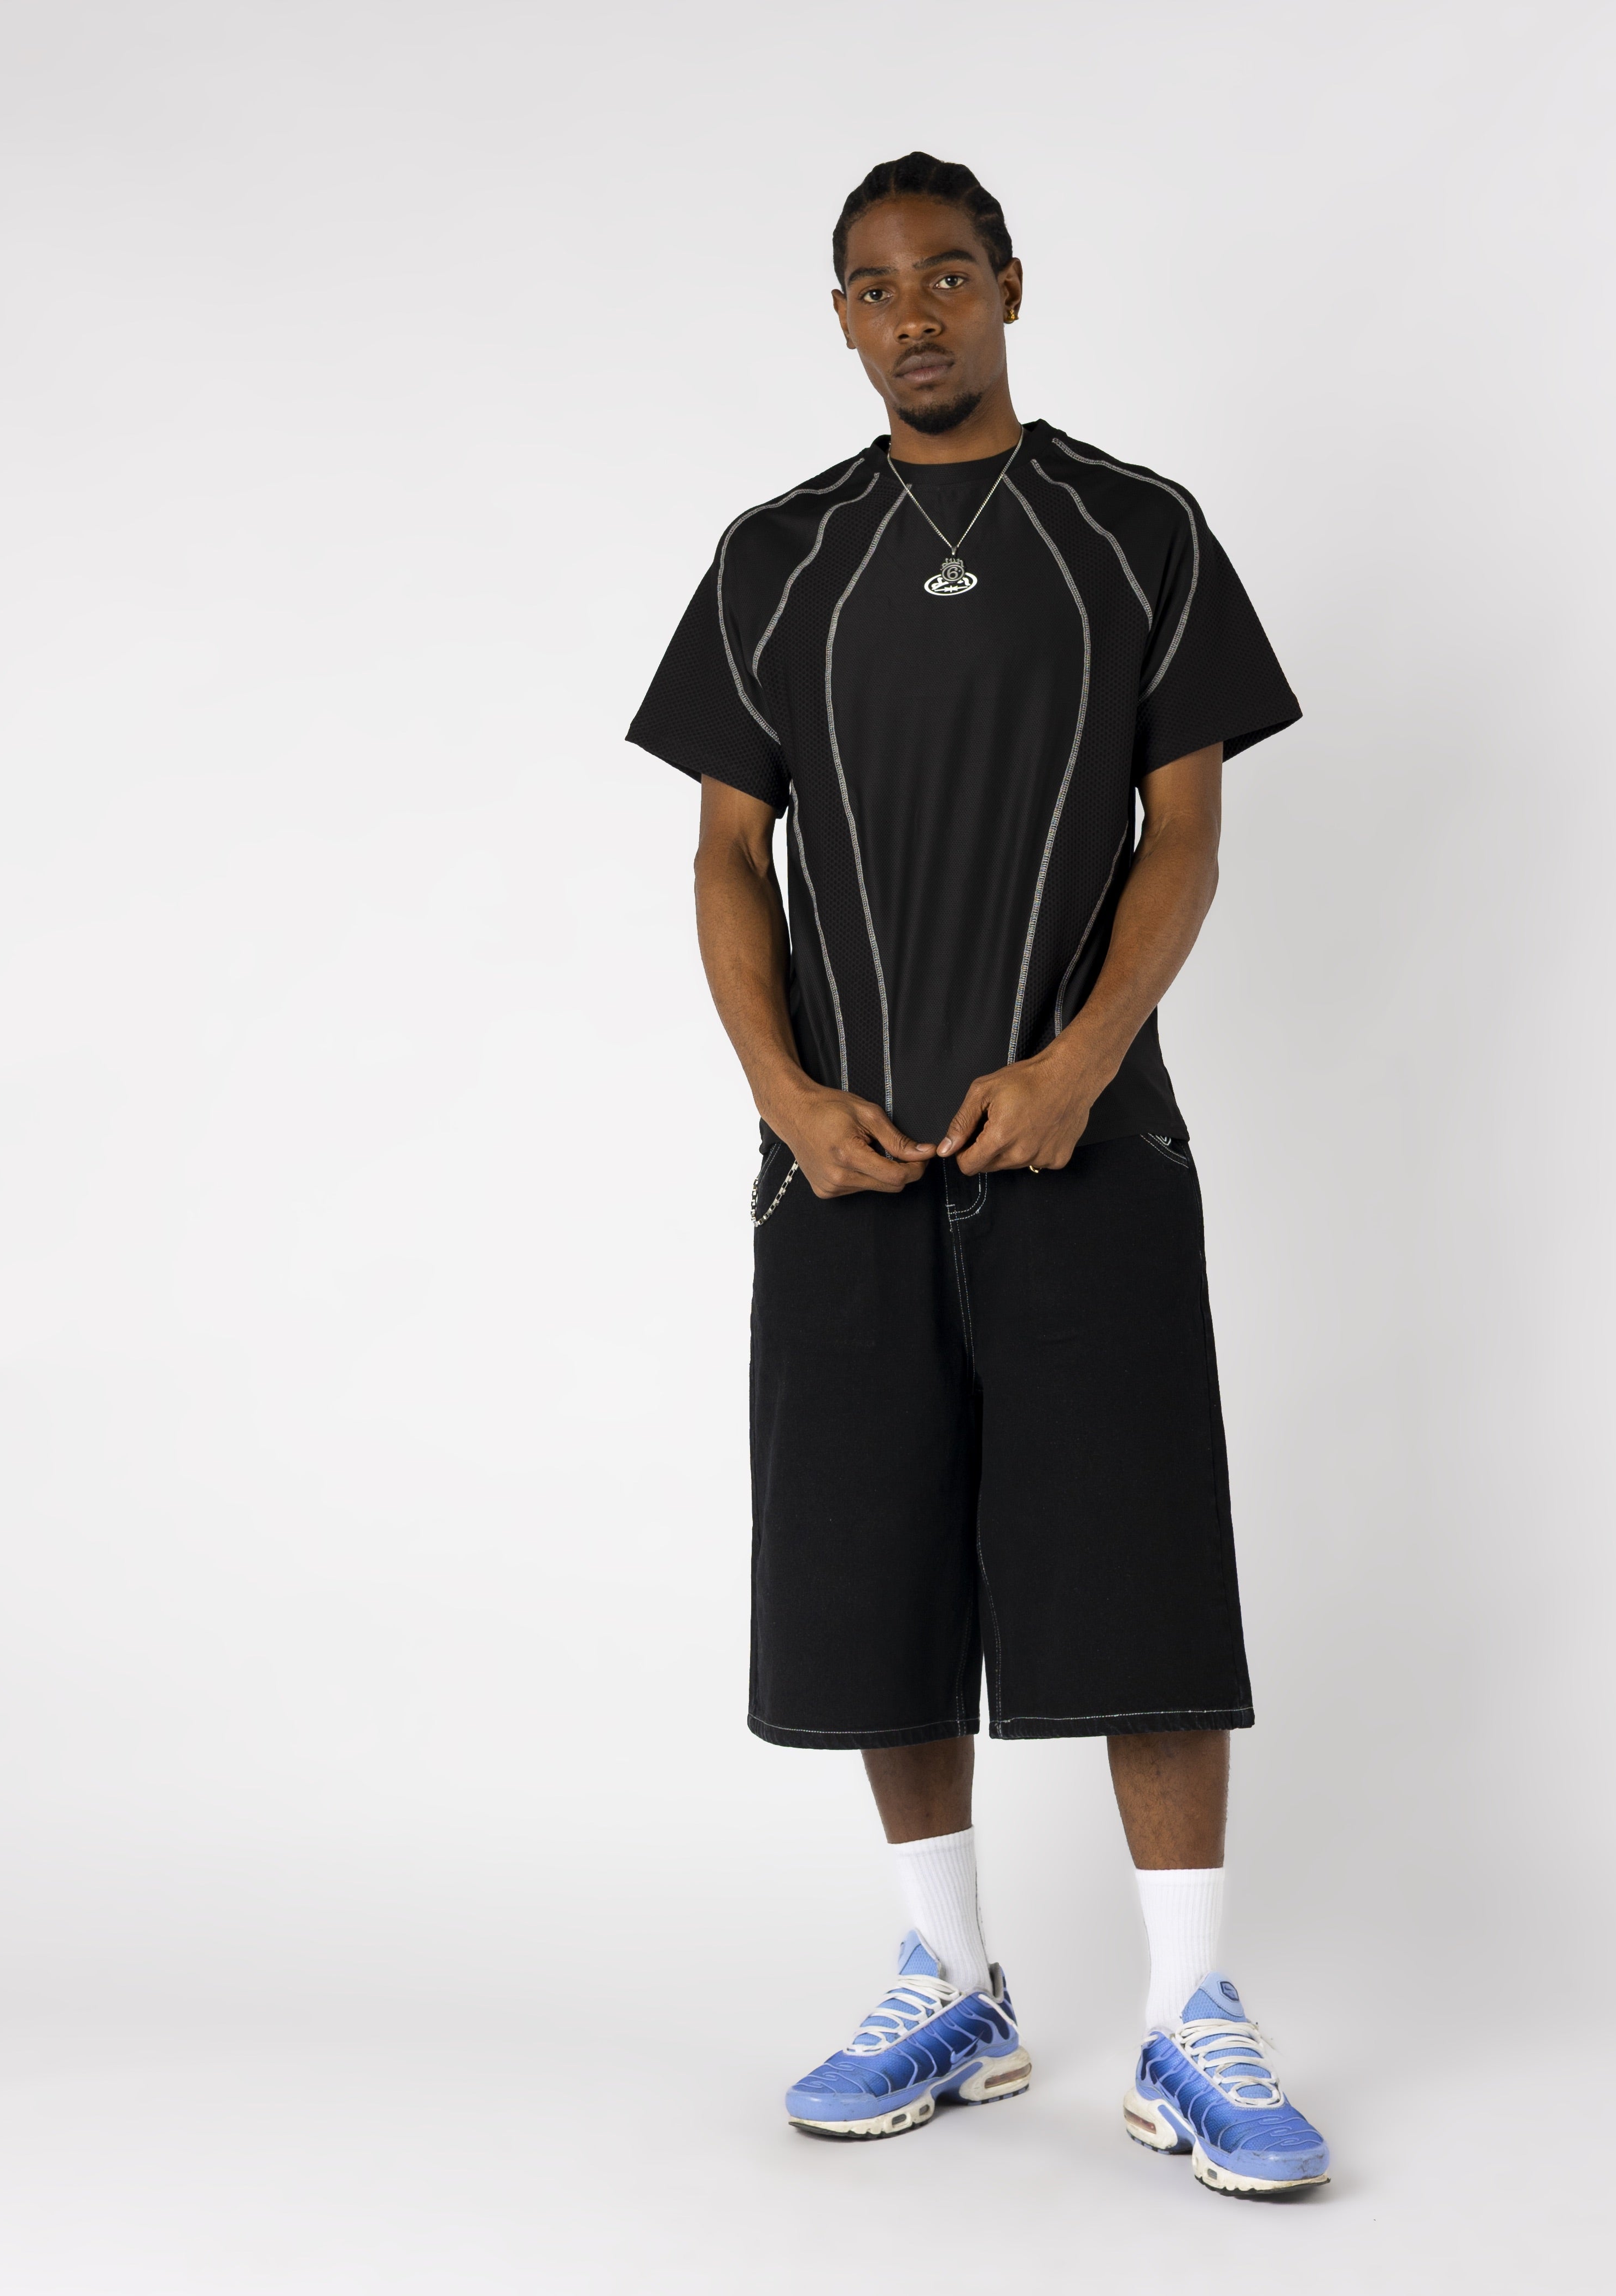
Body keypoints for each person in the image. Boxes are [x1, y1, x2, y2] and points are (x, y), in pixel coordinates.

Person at [627, 152, 1328, 2198]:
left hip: (1092, 1151)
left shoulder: (1136, 532)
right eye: (873, 286)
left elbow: (1185, 834)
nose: (913, 312)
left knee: (1139, 1569)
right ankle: (952, 1979)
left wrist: (1082, 1062)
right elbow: (722, 854)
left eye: (946, 274)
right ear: (840, 319)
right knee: (874, 1574)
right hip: (842, 1166)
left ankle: (1190, 2012)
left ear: (1010, 286)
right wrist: (785, 1097)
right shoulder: (777, 558)